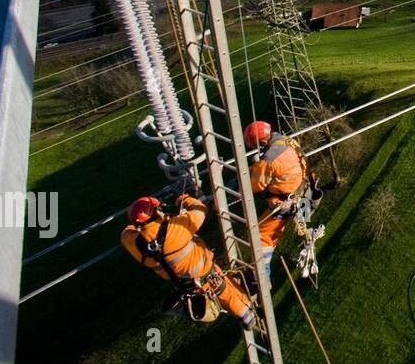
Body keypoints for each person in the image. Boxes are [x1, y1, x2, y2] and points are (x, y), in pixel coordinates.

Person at [121, 193, 256, 329]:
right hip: (207, 277)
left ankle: (246, 294)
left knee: (225, 286)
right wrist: (184, 200)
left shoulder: (136, 244)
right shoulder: (173, 229)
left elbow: (126, 233)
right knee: (226, 294)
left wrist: (138, 225)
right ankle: (248, 316)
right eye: (158, 209)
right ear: (156, 212)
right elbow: (199, 209)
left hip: (187, 285)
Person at [243, 120, 314, 286]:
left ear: (261, 142)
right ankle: (302, 246)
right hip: (305, 194)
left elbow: (255, 185)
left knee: (261, 237)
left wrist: (256, 166)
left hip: (286, 203)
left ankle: (261, 279)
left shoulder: (268, 159)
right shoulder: (286, 140)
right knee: (304, 230)